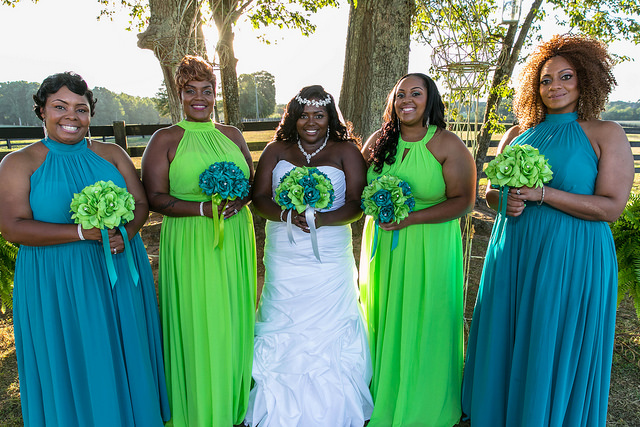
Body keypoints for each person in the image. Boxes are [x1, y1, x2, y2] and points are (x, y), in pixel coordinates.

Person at [462, 34, 634, 426]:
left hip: (573, 255)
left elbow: (611, 207)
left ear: (585, 80)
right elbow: (490, 192)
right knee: (510, 333)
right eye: (545, 79)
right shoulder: (517, 134)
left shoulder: (606, 133)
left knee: (552, 339)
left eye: (565, 76)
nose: (554, 86)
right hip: (516, 249)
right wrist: (503, 201)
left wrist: (544, 193)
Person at [0, 72, 170, 425]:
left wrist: (128, 232)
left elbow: (140, 204)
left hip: (118, 269)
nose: (71, 117)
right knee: (73, 353)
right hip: (56, 277)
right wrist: (80, 232)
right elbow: (12, 227)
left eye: (81, 109)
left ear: (90, 114)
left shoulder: (112, 154)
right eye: (59, 107)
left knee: (120, 349)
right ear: (42, 111)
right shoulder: (18, 163)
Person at [244, 85, 374, 426]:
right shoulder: (276, 149)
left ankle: (334, 404)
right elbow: (259, 198)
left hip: (329, 254)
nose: (311, 122)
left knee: (329, 324)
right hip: (285, 250)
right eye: (304, 115)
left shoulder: (346, 150)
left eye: (319, 115)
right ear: (293, 118)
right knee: (283, 314)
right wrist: (288, 215)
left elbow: (357, 204)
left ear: (330, 117)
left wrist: (324, 218)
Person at [141, 55, 256, 427]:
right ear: (180, 94)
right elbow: (155, 198)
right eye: (191, 91)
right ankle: (199, 406)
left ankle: (232, 400)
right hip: (191, 240)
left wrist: (241, 199)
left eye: (207, 90)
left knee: (233, 317)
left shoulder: (233, 135)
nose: (200, 98)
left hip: (235, 235)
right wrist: (203, 210)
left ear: (215, 93)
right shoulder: (165, 139)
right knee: (198, 321)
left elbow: (249, 184)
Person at [359, 73, 476, 426]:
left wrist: (410, 219)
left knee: (427, 319)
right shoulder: (378, 142)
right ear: (392, 102)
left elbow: (464, 202)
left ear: (430, 100)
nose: (406, 100)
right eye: (400, 94)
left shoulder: (447, 144)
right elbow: (355, 188)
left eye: (416, 93)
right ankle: (382, 397)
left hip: (430, 245)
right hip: (383, 247)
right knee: (382, 316)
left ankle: (425, 405)